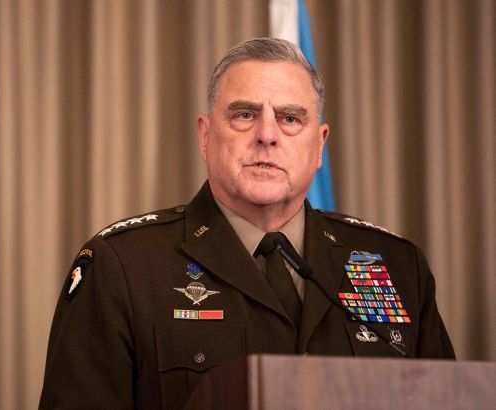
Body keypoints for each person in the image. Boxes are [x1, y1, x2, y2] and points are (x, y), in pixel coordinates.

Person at [39, 38, 454, 409]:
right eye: (244, 114)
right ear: (205, 136)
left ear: (319, 145)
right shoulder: (123, 265)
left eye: (290, 118)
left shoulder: (397, 265)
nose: (267, 135)